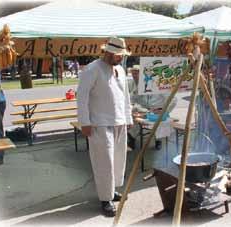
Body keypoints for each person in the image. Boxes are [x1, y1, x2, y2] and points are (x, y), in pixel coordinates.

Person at [76, 37, 133, 217]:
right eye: (118, 55)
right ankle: (105, 199)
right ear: (108, 52)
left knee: (117, 160)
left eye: (121, 55)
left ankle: (111, 191)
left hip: (119, 121)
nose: (120, 58)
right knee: (104, 162)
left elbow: (125, 97)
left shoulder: (121, 70)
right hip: (99, 123)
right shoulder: (92, 69)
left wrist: (128, 117)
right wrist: (84, 122)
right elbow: (82, 97)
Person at [128, 65, 177, 150]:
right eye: (133, 74)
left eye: (137, 74)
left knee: (160, 123)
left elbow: (173, 100)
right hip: (143, 110)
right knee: (130, 117)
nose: (135, 76)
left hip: (158, 109)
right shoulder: (132, 84)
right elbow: (130, 100)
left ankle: (158, 140)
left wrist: (164, 110)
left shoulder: (158, 83)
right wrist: (141, 109)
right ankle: (132, 138)